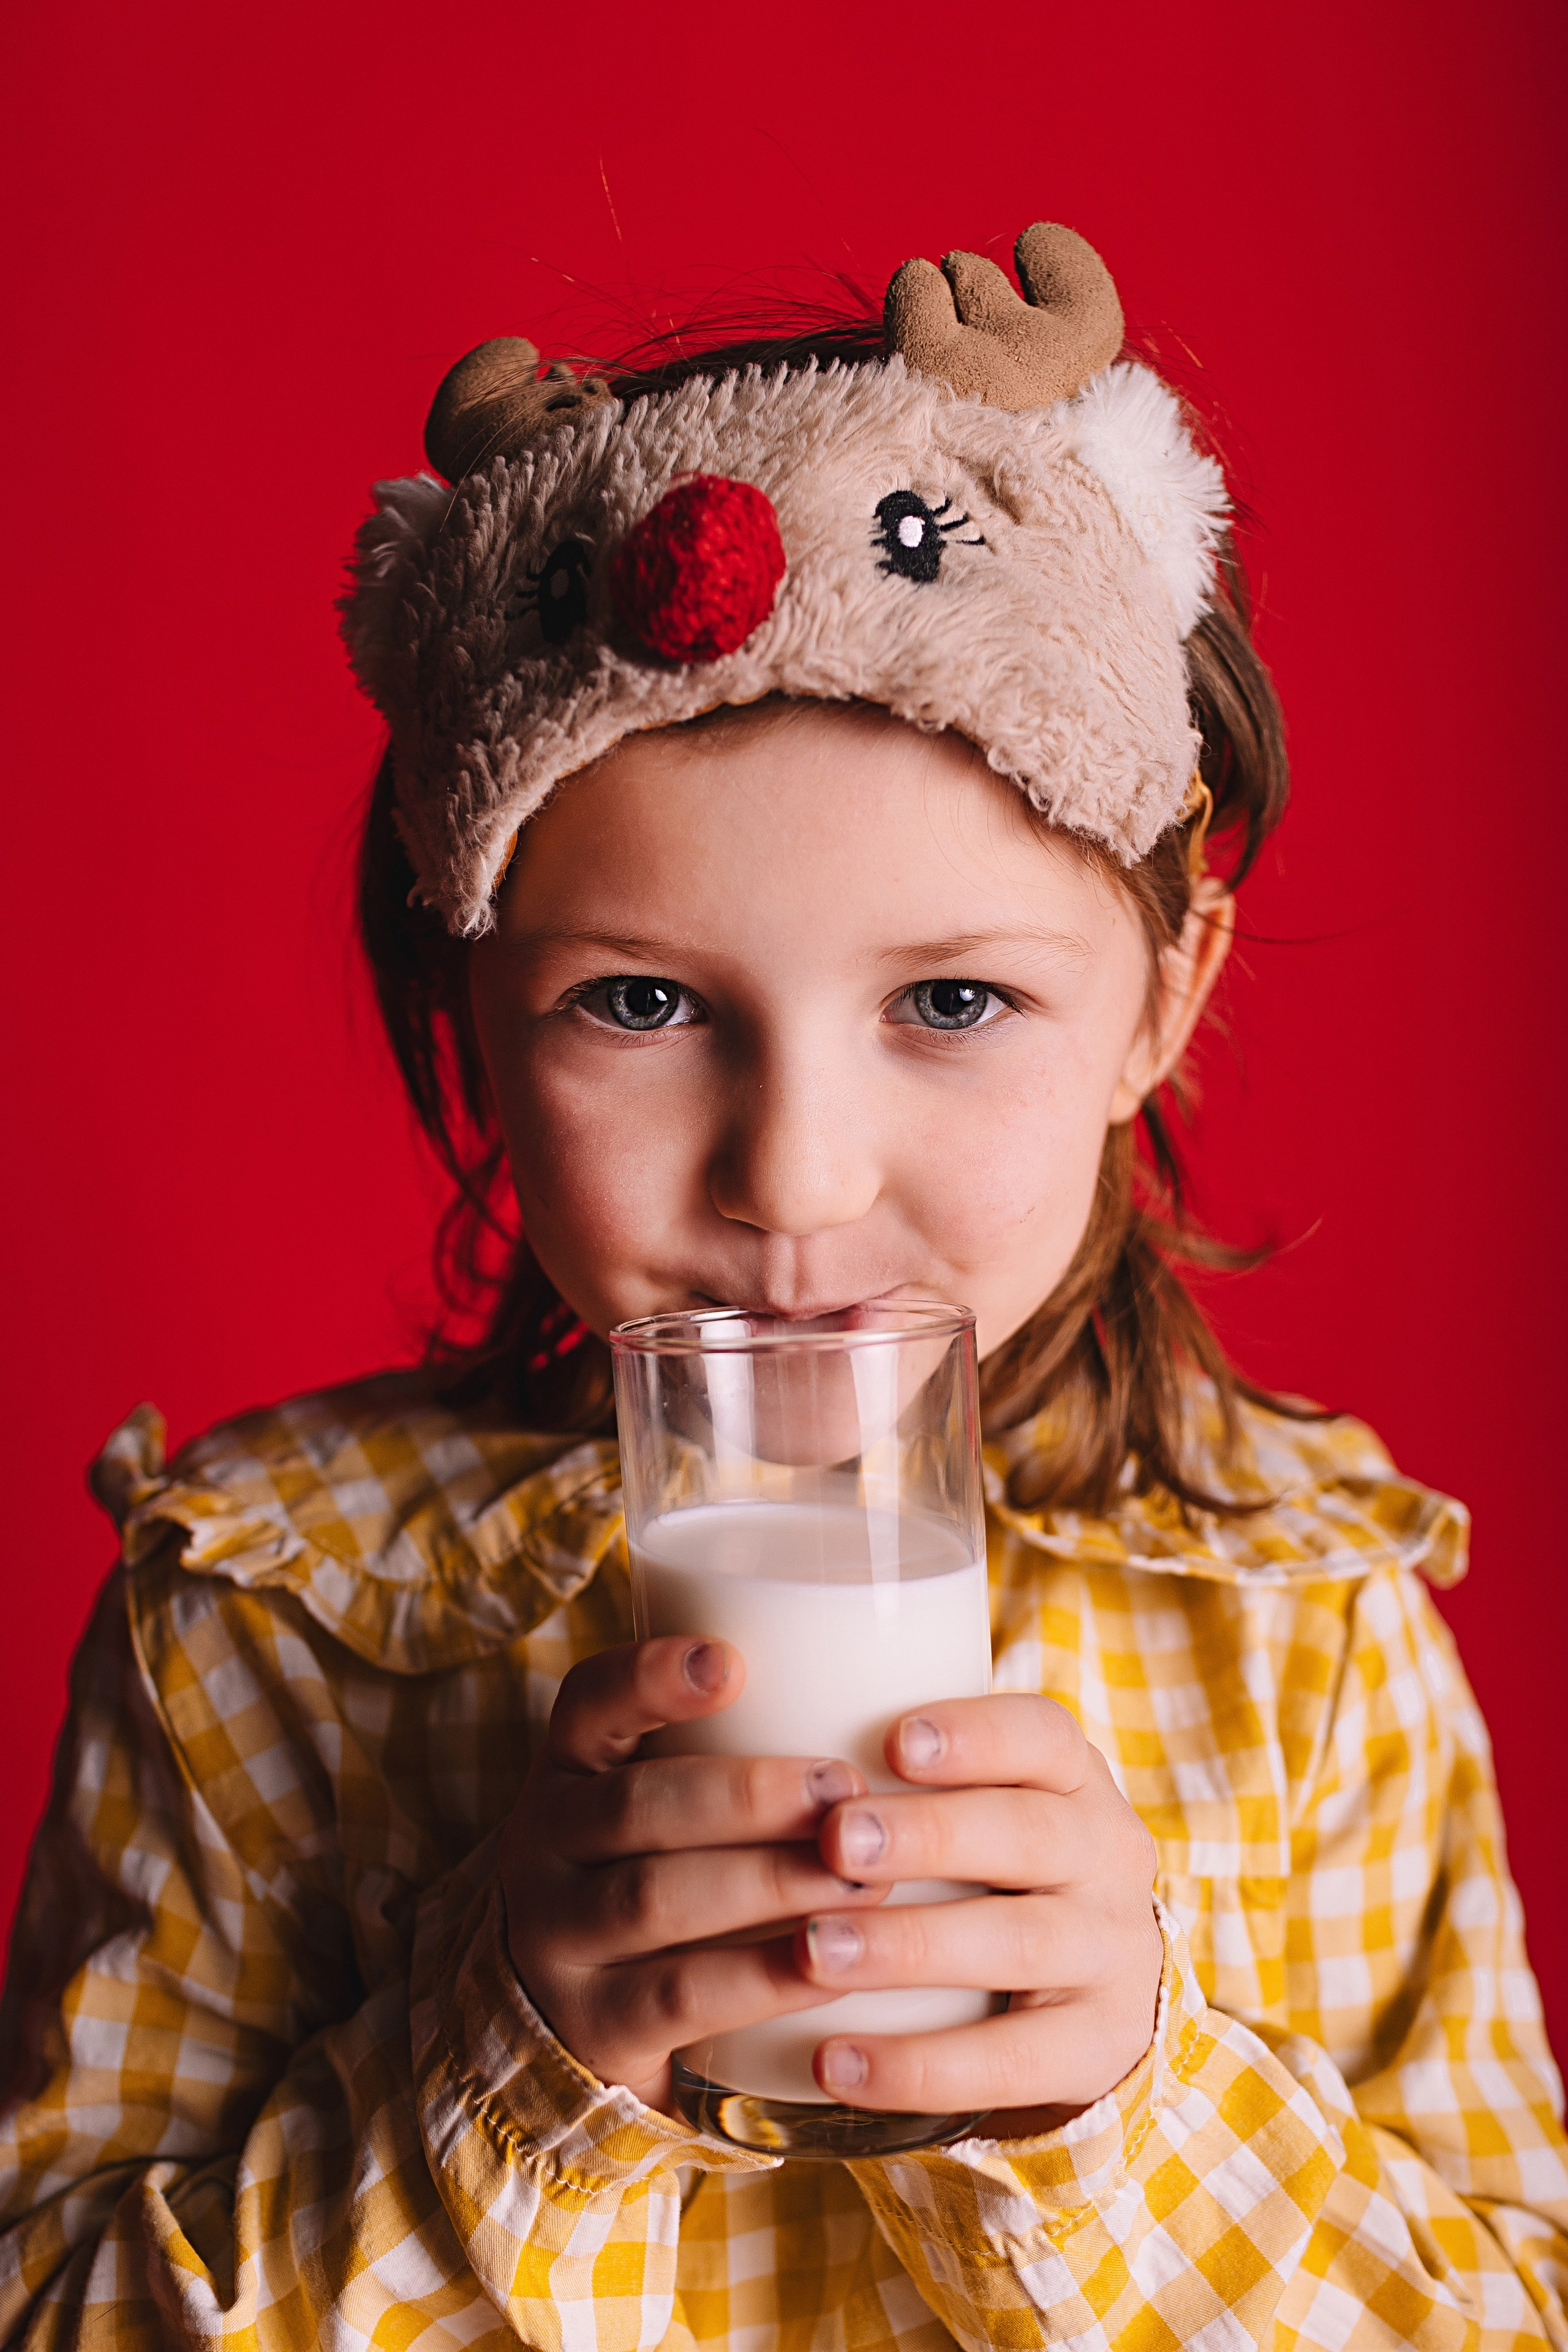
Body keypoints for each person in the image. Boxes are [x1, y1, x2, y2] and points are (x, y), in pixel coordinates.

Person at [1, 221, 1562, 2350]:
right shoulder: (261, 1629)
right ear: (473, 1014)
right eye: (640, 998)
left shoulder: (1310, 1634)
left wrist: (1140, 2104)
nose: (796, 1176)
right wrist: (505, 2056)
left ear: (1156, 1000)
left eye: (952, 998)